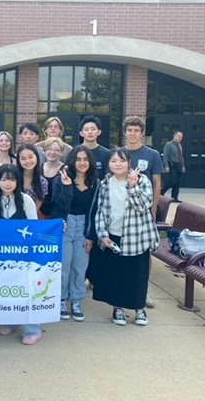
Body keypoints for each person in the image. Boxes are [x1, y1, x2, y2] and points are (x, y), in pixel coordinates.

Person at [86, 148, 159, 327]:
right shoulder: (105, 183)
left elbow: (144, 205)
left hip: (136, 236)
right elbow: (101, 211)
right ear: (109, 164)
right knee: (117, 274)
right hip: (114, 235)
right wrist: (102, 235)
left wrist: (132, 186)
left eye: (121, 161)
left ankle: (139, 308)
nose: (117, 164)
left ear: (129, 163)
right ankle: (117, 307)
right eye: (113, 161)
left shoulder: (142, 181)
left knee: (137, 274)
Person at [0, 164, 41, 345]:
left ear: (17, 181)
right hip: (1, 258)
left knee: (26, 290)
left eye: (11, 179)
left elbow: (34, 227)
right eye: (4, 179)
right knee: (8, 289)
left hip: (24, 256)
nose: (7, 183)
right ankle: (12, 322)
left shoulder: (26, 200)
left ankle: (32, 328)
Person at [51, 147, 98, 322]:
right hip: (66, 224)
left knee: (80, 267)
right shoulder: (61, 179)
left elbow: (95, 211)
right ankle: (61, 300)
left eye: (86, 159)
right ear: (72, 161)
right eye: (78, 159)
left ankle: (76, 301)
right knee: (64, 266)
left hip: (83, 227)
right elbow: (58, 206)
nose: (82, 163)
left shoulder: (94, 182)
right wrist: (67, 187)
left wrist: (91, 235)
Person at [123, 116, 164, 308]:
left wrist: (153, 208)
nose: (132, 134)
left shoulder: (152, 154)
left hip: (143, 211)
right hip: (122, 211)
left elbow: (157, 184)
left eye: (136, 131)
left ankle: (145, 290)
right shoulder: (119, 153)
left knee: (144, 252)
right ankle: (124, 287)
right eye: (129, 130)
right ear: (125, 132)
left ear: (142, 133)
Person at [16, 145, 48, 214]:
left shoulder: (42, 182)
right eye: (23, 158)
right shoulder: (14, 178)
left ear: (36, 157)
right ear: (18, 161)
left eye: (30, 157)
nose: (27, 161)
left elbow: (36, 208)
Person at [39, 137, 65, 217]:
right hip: (39, 213)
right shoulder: (38, 169)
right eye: (49, 149)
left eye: (57, 150)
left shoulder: (65, 170)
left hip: (58, 214)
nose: (52, 152)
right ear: (44, 151)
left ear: (61, 152)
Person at [79, 115, 110, 181]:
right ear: (81, 133)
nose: (90, 132)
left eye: (93, 129)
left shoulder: (107, 154)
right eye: (86, 129)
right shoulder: (74, 153)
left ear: (99, 132)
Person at [161, 131, 185, 202]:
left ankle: (174, 198)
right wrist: (166, 166)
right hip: (172, 164)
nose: (180, 138)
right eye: (179, 137)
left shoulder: (179, 145)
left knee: (178, 182)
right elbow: (165, 155)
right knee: (173, 181)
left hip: (179, 165)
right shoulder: (169, 144)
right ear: (174, 136)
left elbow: (181, 156)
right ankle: (161, 191)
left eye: (181, 137)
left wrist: (183, 166)